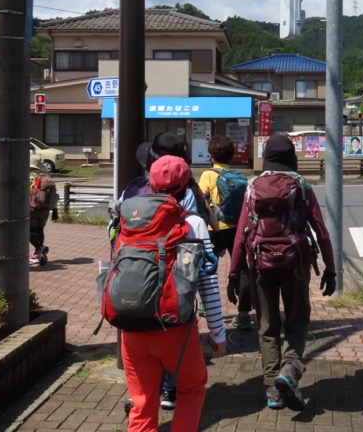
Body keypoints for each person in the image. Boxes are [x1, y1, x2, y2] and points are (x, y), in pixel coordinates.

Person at [228, 134, 336, 411]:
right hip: (295, 263)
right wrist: (330, 270)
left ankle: (272, 389)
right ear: (292, 158)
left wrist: (232, 274)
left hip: (260, 263)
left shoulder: (253, 186)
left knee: (267, 326)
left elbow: (241, 234)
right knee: (297, 322)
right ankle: (289, 370)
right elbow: (321, 231)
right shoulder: (302, 186)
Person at [120, 155, 227, 432]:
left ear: (151, 183)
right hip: (175, 328)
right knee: (191, 389)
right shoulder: (193, 223)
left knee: (142, 401)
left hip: (131, 325)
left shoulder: (129, 218)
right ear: (187, 185)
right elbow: (208, 284)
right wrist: (218, 333)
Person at [198, 135, 253, 331]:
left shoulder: (208, 175)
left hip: (215, 229)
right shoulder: (240, 176)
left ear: (212, 156)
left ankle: (207, 306)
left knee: (208, 268)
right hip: (237, 228)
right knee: (243, 269)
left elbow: (201, 199)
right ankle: (244, 314)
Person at [28, 155, 51, 265]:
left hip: (32, 208)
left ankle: (40, 247)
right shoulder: (46, 177)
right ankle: (39, 254)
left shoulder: (29, 176)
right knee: (40, 230)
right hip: (45, 210)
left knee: (30, 231)